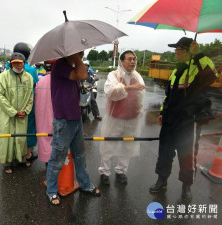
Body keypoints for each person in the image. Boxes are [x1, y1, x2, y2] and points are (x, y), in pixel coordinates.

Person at [149, 37, 218, 201]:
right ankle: (162, 180)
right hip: (169, 120)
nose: (175, 53)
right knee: (164, 153)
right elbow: (169, 96)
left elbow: (212, 74)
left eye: (178, 50)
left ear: (188, 51)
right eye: (175, 50)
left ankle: (186, 186)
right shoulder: (175, 71)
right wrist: (162, 113)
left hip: (188, 122)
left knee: (187, 156)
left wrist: (199, 54)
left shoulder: (198, 68)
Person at [46, 51, 101, 206]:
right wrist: (77, 57)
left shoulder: (70, 66)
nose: (82, 53)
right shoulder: (60, 65)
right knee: (57, 158)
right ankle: (51, 191)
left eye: (82, 51)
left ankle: (85, 184)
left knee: (80, 155)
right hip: (63, 120)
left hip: (75, 118)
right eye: (79, 50)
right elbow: (82, 75)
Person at [98, 51, 146, 185]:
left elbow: (140, 96)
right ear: (121, 61)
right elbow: (112, 92)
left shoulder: (137, 76)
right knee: (108, 144)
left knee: (128, 146)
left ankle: (121, 171)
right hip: (116, 117)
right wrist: (130, 87)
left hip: (132, 118)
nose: (133, 62)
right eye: (129, 59)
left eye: (134, 59)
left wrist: (139, 111)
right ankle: (104, 172)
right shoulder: (113, 75)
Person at [0, 52, 34, 174]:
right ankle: (8, 163)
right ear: (11, 64)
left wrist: (26, 111)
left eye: (20, 63)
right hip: (6, 114)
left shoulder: (29, 77)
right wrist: (13, 112)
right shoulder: (3, 77)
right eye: (15, 63)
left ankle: (20, 159)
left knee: (21, 137)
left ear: (24, 64)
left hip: (22, 114)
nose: (18, 65)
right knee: (7, 137)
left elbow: (30, 97)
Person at [13, 42, 39, 163]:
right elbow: (36, 87)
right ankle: (28, 154)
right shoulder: (31, 70)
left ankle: (15, 154)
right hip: (28, 106)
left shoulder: (8, 68)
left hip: (12, 105)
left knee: (14, 128)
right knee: (29, 128)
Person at [35, 59, 57, 163]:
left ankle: (47, 162)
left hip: (41, 116)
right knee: (56, 138)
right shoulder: (60, 81)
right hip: (56, 115)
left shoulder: (40, 81)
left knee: (43, 137)